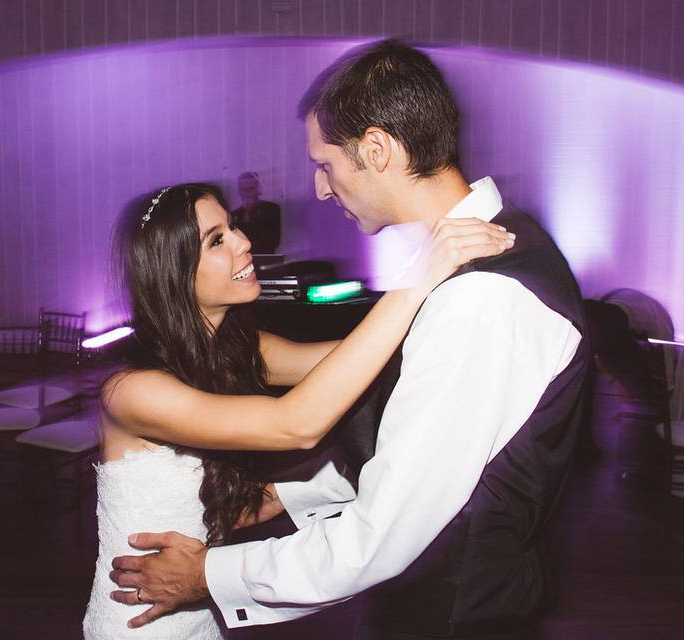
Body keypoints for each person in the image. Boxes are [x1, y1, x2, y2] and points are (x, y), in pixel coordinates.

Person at [109, 40, 590, 639]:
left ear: (377, 149)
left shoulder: (478, 300)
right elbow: (411, 427)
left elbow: (382, 533)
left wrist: (212, 574)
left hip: (451, 617)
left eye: (325, 163)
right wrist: (294, 495)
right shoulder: (495, 254)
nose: (319, 188)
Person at [82, 182, 513, 639]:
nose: (244, 241)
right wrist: (417, 280)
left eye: (231, 226)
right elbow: (296, 424)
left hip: (197, 610)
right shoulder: (131, 391)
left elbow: (360, 361)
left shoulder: (240, 351)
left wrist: (461, 320)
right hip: (138, 621)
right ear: (174, 272)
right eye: (217, 240)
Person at [231, 172, 282, 253]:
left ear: (258, 189)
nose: (248, 193)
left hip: (266, 258)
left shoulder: (271, 209)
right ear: (239, 192)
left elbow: (273, 241)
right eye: (244, 189)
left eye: (251, 188)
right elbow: (238, 242)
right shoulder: (234, 215)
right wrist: (246, 214)